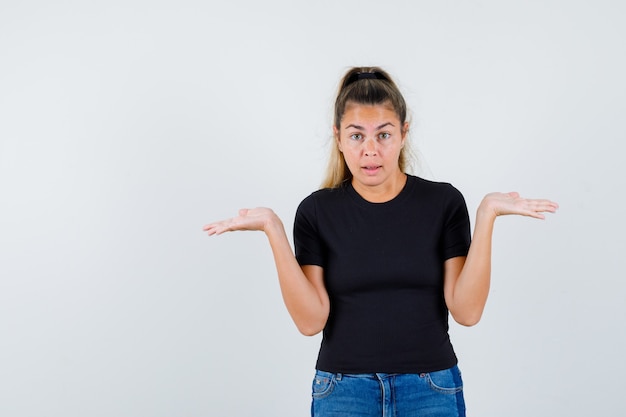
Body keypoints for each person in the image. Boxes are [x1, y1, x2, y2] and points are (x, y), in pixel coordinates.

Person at [203, 66, 558, 417]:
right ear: (338, 137)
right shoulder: (316, 211)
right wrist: (273, 228)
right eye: (357, 135)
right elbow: (310, 322)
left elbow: (467, 311)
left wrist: (487, 214)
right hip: (342, 391)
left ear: (404, 133)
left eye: (383, 135)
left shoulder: (443, 204)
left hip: (431, 389)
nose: (370, 151)